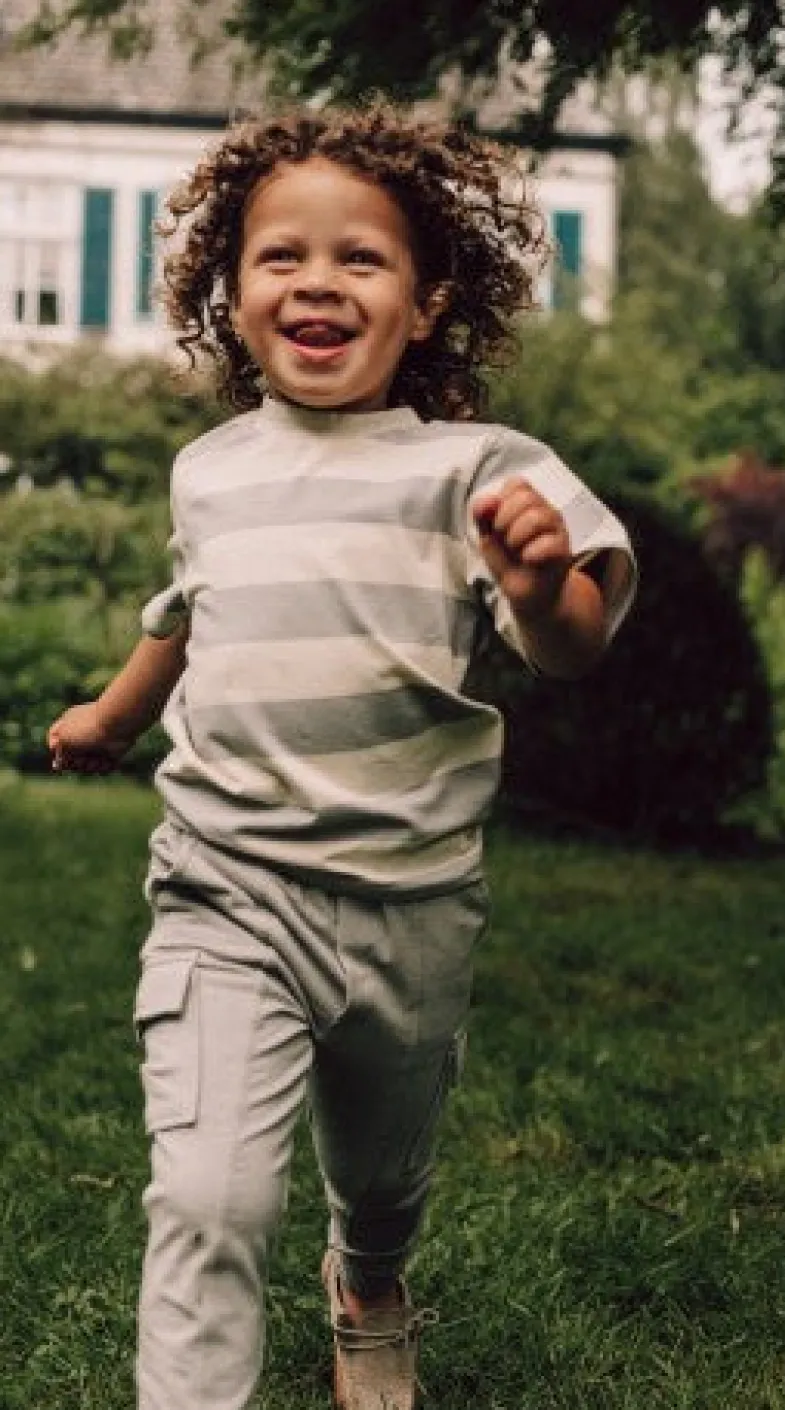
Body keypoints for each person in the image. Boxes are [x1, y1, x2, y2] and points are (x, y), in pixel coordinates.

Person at [47, 103, 636, 1410]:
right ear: (232, 294)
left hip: (408, 899)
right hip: (225, 884)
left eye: (360, 258)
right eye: (282, 255)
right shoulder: (208, 472)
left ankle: (369, 1282)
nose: (318, 280)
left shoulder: (476, 468)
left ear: (426, 306)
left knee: (380, 1173)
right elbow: (190, 617)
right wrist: (112, 715)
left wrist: (542, 588)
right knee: (208, 1197)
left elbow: (573, 647)